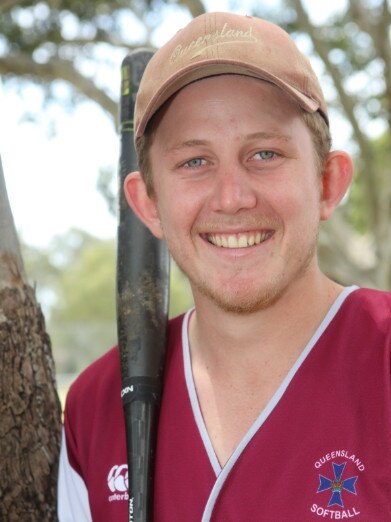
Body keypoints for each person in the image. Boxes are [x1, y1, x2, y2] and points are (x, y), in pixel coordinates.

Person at [58, 11, 391, 521]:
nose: (232, 197)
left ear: (327, 182)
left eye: (264, 153)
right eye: (195, 162)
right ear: (147, 204)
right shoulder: (96, 409)